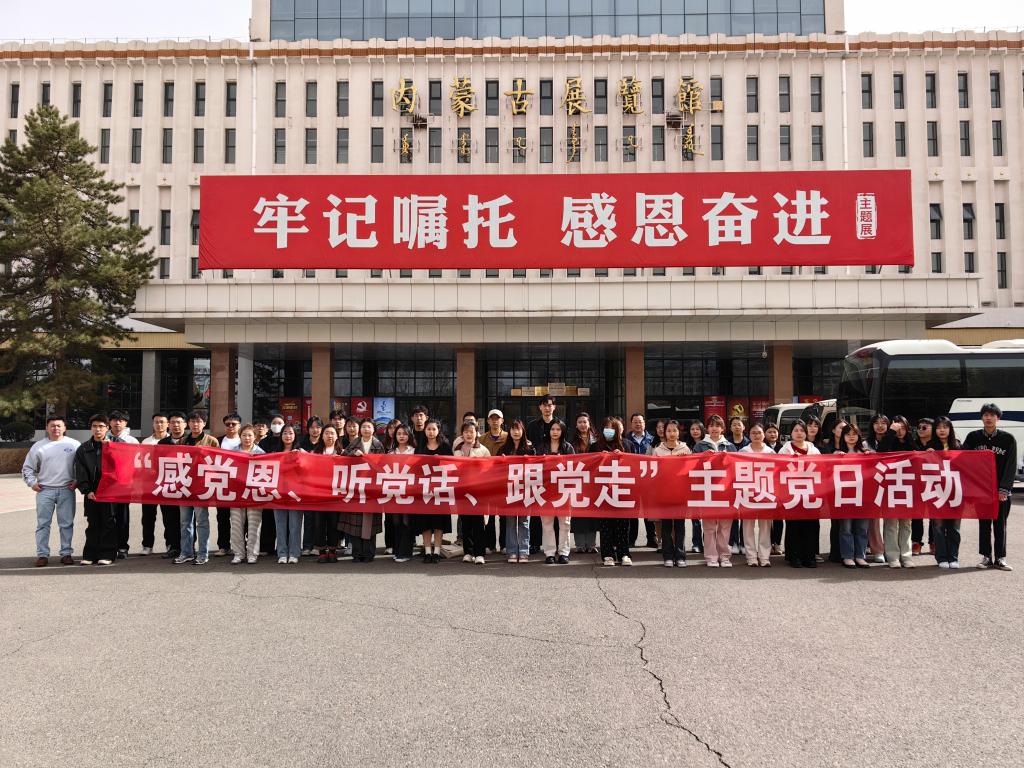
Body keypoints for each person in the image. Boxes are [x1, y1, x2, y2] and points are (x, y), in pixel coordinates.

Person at [964, 403, 1016, 571]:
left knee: (1000, 525)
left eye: (992, 415)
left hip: (1000, 491)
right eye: (985, 415)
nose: (988, 418)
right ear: (981, 418)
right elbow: (962, 458)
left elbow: (1011, 465)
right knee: (984, 524)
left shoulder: (1008, 439)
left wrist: (1004, 489)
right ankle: (986, 557)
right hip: (981, 490)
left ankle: (1000, 558)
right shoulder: (973, 437)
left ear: (997, 418)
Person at [23, 417, 80, 567]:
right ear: (47, 428)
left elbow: (81, 466)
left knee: (66, 524)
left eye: (59, 426)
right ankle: (42, 555)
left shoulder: (74, 445)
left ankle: (66, 553)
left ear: (64, 428)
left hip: (66, 490)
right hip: (45, 490)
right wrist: (32, 483)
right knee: (43, 524)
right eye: (52, 426)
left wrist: (77, 481)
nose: (56, 428)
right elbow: (28, 467)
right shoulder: (38, 446)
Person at [172, 410, 220, 565]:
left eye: (198, 421)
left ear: (204, 423)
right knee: (185, 522)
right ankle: (186, 552)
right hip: (185, 487)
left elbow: (217, 463)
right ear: (188, 424)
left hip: (201, 488)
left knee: (201, 521)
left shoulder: (211, 441)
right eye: (192, 421)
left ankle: (203, 553)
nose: (195, 424)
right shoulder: (182, 441)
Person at [692, 414, 737, 567]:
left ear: (722, 428)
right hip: (707, 490)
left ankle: (724, 556)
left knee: (725, 527)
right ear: (707, 428)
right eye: (711, 426)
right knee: (709, 526)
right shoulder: (700, 446)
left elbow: (735, 469)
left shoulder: (730, 446)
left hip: (726, 491)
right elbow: (694, 467)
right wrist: (705, 459)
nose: (714, 429)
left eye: (717, 426)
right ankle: (711, 556)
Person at [73, 414, 117, 566]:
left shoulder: (116, 445)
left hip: (110, 492)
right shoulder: (84, 448)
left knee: (108, 523)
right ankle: (90, 554)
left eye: (101, 426)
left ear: (107, 428)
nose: (98, 429)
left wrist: (110, 448)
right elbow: (80, 471)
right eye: (94, 426)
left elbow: (122, 466)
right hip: (92, 492)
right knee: (93, 523)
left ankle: (107, 554)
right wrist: (87, 490)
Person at [340, 418, 385, 562]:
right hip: (356, 487)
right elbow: (342, 458)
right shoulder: (354, 443)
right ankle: (357, 553)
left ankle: (369, 553)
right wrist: (353, 454)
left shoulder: (378, 445)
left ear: (374, 429)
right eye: (364, 426)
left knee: (369, 522)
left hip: (372, 488)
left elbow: (383, 465)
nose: (366, 429)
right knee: (355, 522)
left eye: (369, 427)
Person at [779, 420, 821, 568]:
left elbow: (822, 468)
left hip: (811, 493)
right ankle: (794, 556)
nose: (799, 433)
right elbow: (778, 470)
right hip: (792, 493)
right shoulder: (784, 450)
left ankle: (810, 556)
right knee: (794, 525)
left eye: (802, 430)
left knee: (811, 525)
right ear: (791, 433)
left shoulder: (814, 450)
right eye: (796, 430)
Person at [650, 420, 691, 567]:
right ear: (664, 433)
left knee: (680, 526)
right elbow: (653, 471)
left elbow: (691, 471)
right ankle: (667, 556)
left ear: (679, 432)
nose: (672, 433)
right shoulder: (658, 450)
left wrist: (685, 461)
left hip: (680, 493)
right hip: (664, 492)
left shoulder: (686, 449)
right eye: (669, 430)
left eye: (674, 430)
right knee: (666, 526)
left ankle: (680, 556)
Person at [593, 417, 632, 567]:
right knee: (606, 525)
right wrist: (599, 458)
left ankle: (624, 554)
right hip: (603, 491)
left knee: (623, 524)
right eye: (606, 428)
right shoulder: (595, 446)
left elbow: (634, 465)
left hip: (622, 489)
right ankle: (607, 554)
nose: (608, 431)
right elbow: (588, 467)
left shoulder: (627, 444)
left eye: (611, 428)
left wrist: (623, 457)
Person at [833, 424, 871, 569]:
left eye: (854, 434)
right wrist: (837, 458)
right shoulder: (837, 453)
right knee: (846, 528)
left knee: (862, 527)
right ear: (843, 436)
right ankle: (847, 556)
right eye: (848, 434)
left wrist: (869, 458)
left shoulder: (866, 452)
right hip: (845, 496)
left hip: (863, 496)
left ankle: (860, 556)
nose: (851, 437)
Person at [416, 418, 454, 563]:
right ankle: (427, 551)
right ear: (424, 430)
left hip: (441, 489)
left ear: (438, 431)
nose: (431, 432)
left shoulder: (445, 446)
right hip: (425, 489)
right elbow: (414, 466)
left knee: (439, 522)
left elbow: (452, 466)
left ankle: (437, 551)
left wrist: (441, 461)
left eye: (434, 429)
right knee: (425, 522)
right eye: (428, 429)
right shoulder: (420, 446)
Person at [537, 420, 575, 565]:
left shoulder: (568, 447)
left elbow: (574, 467)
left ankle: (564, 553)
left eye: (558, 429)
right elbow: (535, 466)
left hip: (563, 490)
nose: (555, 432)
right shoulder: (541, 447)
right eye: (553, 429)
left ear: (562, 431)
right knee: (547, 523)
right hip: (546, 489)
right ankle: (549, 553)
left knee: (564, 523)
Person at [497, 419, 535, 562]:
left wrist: (529, 460)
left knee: (524, 522)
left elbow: (538, 468)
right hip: (510, 489)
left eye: (518, 429)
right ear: (509, 431)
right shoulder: (503, 449)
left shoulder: (530, 448)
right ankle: (512, 551)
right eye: (513, 429)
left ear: (523, 431)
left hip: (526, 489)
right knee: (511, 522)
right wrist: (501, 461)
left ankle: (524, 551)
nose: (516, 432)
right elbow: (496, 469)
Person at [140, 412, 178, 557]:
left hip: (166, 483)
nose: (159, 425)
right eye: (156, 422)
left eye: (162, 422)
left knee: (169, 516)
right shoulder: (146, 442)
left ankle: (170, 543)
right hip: (149, 484)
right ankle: (147, 545)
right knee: (148, 517)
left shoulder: (172, 441)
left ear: (167, 424)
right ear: (153, 424)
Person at [927, 417, 963, 569]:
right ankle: (941, 557)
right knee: (938, 526)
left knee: (954, 527)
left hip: (955, 491)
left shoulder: (958, 446)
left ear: (950, 429)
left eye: (945, 427)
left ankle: (953, 557)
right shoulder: (930, 446)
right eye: (939, 427)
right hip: (936, 492)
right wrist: (927, 455)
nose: (942, 430)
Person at [880, 415, 915, 569]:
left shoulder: (911, 442)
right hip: (890, 486)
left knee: (906, 523)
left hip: (907, 486)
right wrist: (890, 433)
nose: (900, 431)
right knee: (891, 523)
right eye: (897, 428)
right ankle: (892, 556)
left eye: (903, 428)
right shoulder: (888, 441)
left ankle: (906, 556)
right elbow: (880, 452)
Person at [455, 420, 492, 564]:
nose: (469, 434)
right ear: (462, 434)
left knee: (478, 523)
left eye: (471, 432)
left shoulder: (483, 450)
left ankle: (479, 553)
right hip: (463, 490)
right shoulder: (457, 450)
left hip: (478, 491)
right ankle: (468, 552)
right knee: (466, 522)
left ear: (477, 433)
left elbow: (490, 469)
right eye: (466, 432)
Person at [228, 424, 266, 565]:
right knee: (236, 524)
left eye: (250, 435)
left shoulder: (261, 452)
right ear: (240, 436)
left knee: (254, 525)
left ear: (254, 437)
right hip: (236, 493)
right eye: (244, 435)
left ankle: (252, 554)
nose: (247, 438)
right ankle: (238, 553)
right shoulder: (232, 452)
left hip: (254, 493)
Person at [738, 423, 774, 567]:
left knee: (765, 526)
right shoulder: (743, 451)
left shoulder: (771, 452)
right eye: (753, 433)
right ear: (749, 435)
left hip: (766, 492)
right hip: (748, 492)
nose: (757, 435)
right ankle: (751, 556)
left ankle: (764, 557)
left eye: (759, 433)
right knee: (748, 526)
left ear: (764, 434)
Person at [106, 409, 138, 559]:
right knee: (107, 517)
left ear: (126, 423)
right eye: (114, 420)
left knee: (122, 517)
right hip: (106, 485)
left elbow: (137, 464)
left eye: (121, 420)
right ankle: (108, 546)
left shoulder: (132, 441)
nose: (117, 423)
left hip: (124, 485)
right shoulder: (104, 438)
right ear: (109, 422)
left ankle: (122, 547)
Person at [625, 412, 658, 550]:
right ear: (631, 424)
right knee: (632, 511)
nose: (638, 424)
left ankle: (652, 538)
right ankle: (631, 539)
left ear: (644, 423)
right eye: (635, 422)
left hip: (648, 480)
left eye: (640, 421)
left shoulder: (652, 439)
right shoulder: (625, 440)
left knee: (649, 510)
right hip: (631, 480)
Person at [213, 411, 242, 557]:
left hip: (240, 484)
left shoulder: (245, 440)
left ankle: (241, 547)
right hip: (222, 484)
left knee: (241, 518)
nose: (230, 426)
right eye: (227, 424)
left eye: (233, 424)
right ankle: (223, 546)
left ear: (239, 426)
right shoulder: (217, 441)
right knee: (222, 517)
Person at [569, 412, 599, 554]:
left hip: (593, 480)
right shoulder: (572, 441)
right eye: (580, 422)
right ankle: (580, 544)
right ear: (576, 425)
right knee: (578, 513)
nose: (582, 424)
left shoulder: (597, 440)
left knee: (592, 513)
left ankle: (591, 544)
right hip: (577, 479)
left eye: (585, 422)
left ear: (589, 423)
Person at [312, 425, 343, 563]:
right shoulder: (315, 452)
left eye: (332, 433)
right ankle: (321, 550)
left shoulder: (342, 452)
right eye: (326, 433)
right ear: (322, 436)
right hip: (319, 494)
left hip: (335, 494)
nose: (329, 436)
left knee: (333, 522)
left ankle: (332, 550)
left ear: (336, 436)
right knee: (319, 522)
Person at [479, 409, 508, 552]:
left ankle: (504, 544)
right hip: (487, 481)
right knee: (488, 514)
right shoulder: (482, 439)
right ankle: (489, 544)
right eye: (492, 418)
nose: (495, 421)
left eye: (498, 418)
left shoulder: (508, 437)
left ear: (502, 421)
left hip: (504, 481)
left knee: (504, 515)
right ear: (488, 421)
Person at [863, 414, 890, 561]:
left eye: (883, 423)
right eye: (876, 423)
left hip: (892, 483)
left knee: (891, 519)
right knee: (873, 520)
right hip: (873, 484)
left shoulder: (893, 440)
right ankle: (878, 550)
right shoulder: (866, 444)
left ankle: (891, 549)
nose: (880, 426)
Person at [389, 424, 417, 563]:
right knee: (396, 521)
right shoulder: (391, 453)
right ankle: (397, 550)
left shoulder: (414, 451)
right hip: (394, 491)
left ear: (409, 436)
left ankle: (405, 552)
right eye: (399, 433)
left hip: (408, 491)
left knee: (406, 521)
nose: (401, 436)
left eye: (404, 434)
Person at [274, 425, 302, 564]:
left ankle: (294, 553)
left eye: (290, 433)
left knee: (295, 524)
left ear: (295, 435)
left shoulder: (301, 452)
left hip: (295, 493)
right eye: (285, 433)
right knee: (280, 525)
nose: (288, 436)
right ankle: (282, 553)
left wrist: (300, 456)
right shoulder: (275, 453)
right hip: (278, 493)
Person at [298, 416, 323, 556]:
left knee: (319, 518)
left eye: (318, 427)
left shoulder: (324, 443)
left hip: (321, 486)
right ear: (308, 429)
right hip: (305, 486)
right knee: (308, 517)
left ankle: (317, 545)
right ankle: (307, 546)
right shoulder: (301, 443)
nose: (315, 430)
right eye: (312, 427)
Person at [763, 422, 785, 555]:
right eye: (769, 432)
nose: (772, 434)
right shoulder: (763, 448)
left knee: (778, 517)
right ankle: (768, 544)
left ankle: (777, 543)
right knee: (766, 518)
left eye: (774, 432)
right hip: (765, 485)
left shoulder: (783, 448)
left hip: (780, 487)